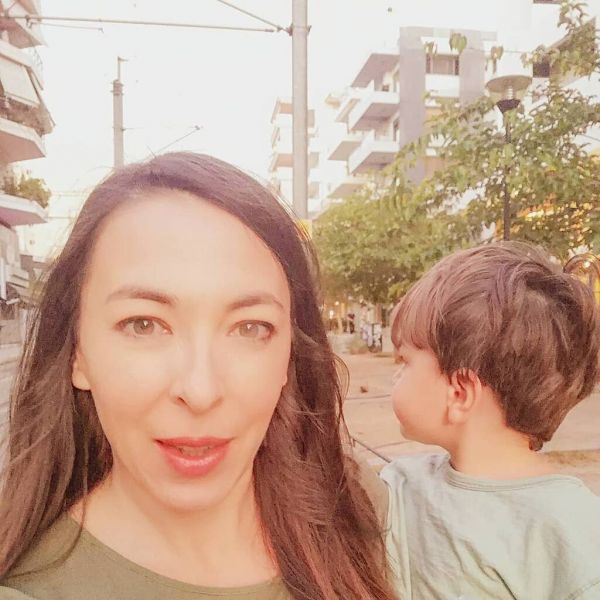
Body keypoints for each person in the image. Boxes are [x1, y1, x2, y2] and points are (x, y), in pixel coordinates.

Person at [0, 153, 395, 600]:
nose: (201, 391)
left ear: (288, 356)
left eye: (251, 328)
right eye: (143, 324)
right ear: (78, 354)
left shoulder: (353, 506)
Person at [381, 242, 600, 599]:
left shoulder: (571, 530)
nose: (396, 376)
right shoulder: (401, 483)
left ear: (460, 392)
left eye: (404, 361)